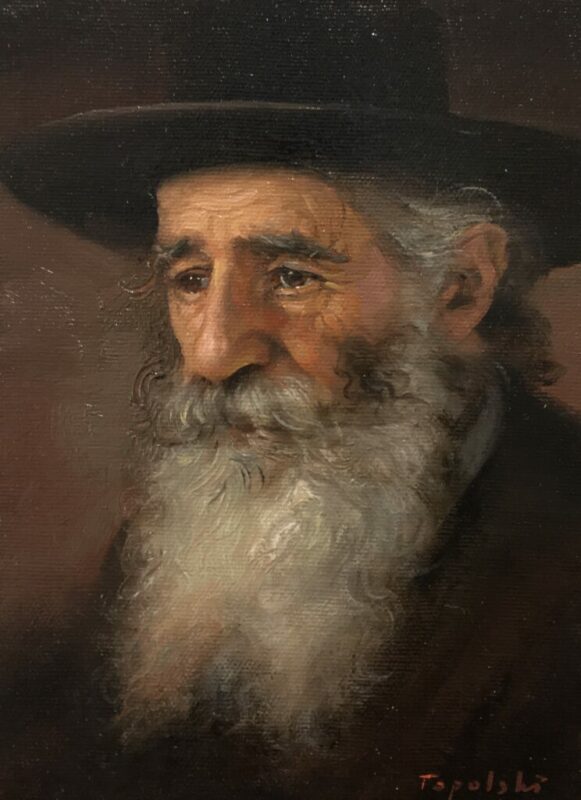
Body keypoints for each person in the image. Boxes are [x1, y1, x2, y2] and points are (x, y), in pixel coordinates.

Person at [1, 2, 580, 799]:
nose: (212, 355)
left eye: (291, 276)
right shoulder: (166, 548)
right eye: (190, 279)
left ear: (458, 286)